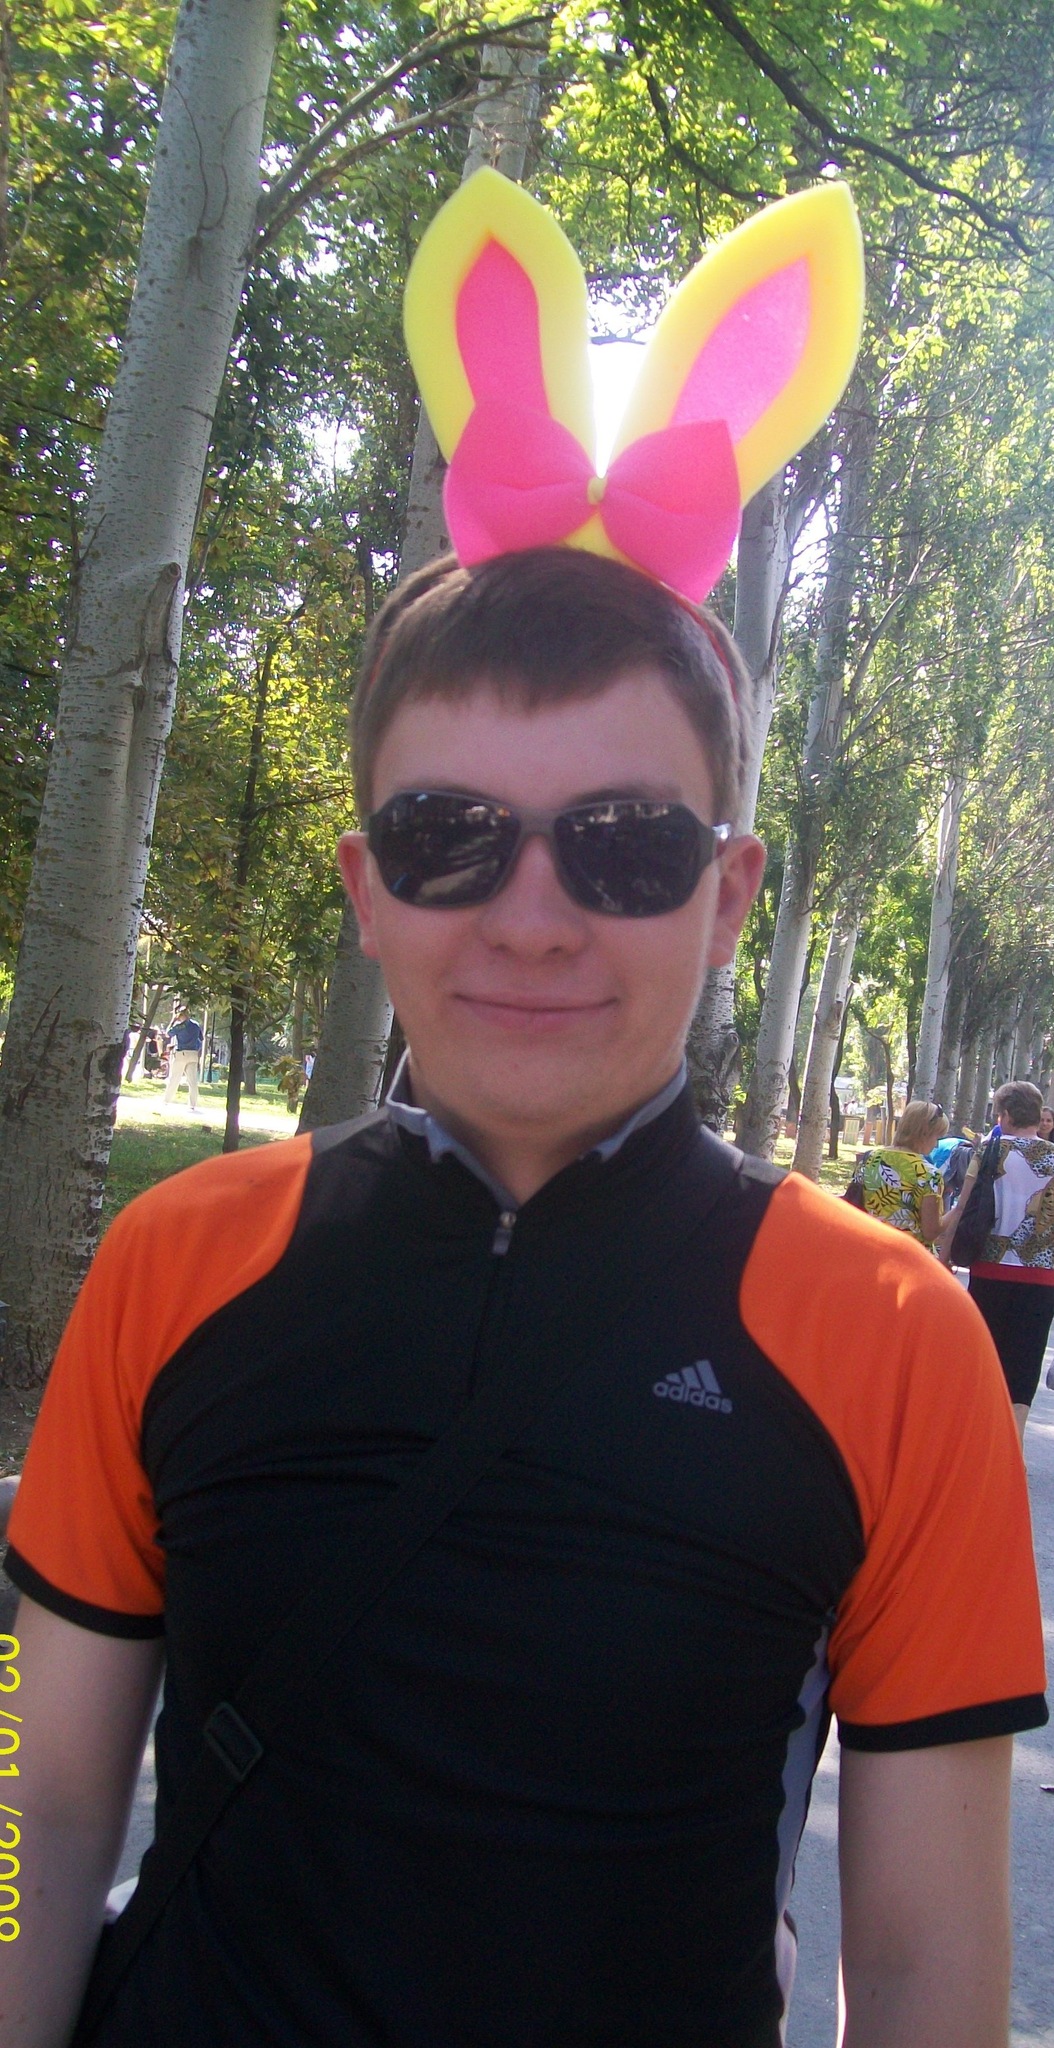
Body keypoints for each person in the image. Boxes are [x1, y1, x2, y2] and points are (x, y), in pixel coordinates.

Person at [3, 169, 1046, 2048]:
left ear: (725, 893)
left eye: (624, 843)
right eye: (449, 836)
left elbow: (915, 1972)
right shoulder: (176, 1259)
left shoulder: (895, 1339)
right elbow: (36, 1804)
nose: (533, 917)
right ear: (365, 886)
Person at [939, 1078, 1054, 1443]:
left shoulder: (989, 1149)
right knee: (1025, 1365)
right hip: (1042, 1278)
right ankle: (1014, 1449)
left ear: (1004, 1115)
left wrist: (944, 1256)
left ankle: (975, 1440)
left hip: (989, 1270)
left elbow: (962, 1207)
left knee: (984, 1358)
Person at [845, 1099, 948, 1246]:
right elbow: (931, 1232)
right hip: (906, 1254)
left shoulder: (869, 1159)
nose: (937, 1144)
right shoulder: (930, 1175)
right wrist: (959, 1209)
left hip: (868, 1248)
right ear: (924, 1133)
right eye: (937, 1137)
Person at [162, 1003, 203, 1110]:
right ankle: (192, 1104)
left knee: (175, 1078)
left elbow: (168, 1033)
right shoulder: (196, 1025)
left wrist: (173, 1021)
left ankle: (167, 1100)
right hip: (193, 1054)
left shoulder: (179, 1026)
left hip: (181, 1054)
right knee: (192, 1081)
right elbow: (200, 1039)